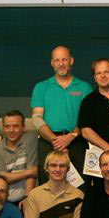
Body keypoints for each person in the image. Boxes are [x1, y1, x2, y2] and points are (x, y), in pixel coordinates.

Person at [31, 45, 93, 185]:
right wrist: (56, 141)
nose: (61, 64)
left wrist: (70, 137)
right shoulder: (41, 87)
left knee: (80, 186)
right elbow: (36, 118)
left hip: (77, 141)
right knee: (47, 185)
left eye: (64, 59)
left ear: (71, 61)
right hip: (48, 141)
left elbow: (87, 120)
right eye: (57, 60)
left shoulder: (84, 87)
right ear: (52, 63)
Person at [77, 58, 109, 187]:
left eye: (107, 72)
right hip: (98, 157)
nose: (103, 76)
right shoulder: (88, 101)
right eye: (99, 73)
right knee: (99, 191)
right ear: (95, 78)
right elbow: (85, 131)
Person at [0, 109, 38, 209]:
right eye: (7, 126)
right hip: (5, 201)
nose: (11, 130)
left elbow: (32, 175)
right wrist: (29, 171)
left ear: (23, 127)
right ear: (3, 128)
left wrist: (27, 197)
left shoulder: (30, 139)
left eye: (16, 126)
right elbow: (4, 178)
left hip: (29, 198)